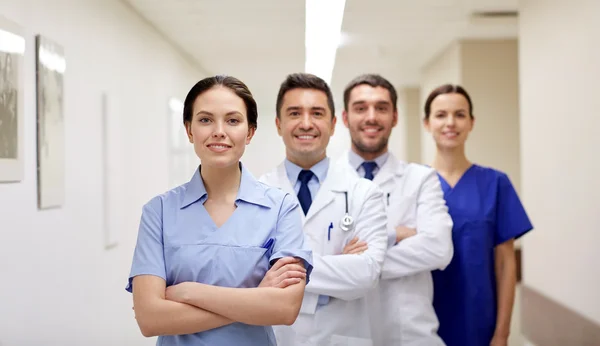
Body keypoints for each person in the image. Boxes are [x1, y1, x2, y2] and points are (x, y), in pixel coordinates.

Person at [125, 75, 314, 346]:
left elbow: (284, 309)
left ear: (250, 132)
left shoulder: (280, 207)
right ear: (189, 130)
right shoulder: (160, 212)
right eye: (205, 120)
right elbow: (150, 319)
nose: (219, 131)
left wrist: (189, 292)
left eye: (233, 120)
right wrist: (255, 298)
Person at [260, 73, 388, 345]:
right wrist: (339, 262)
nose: (306, 123)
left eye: (316, 113)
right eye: (295, 113)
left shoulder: (363, 192)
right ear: (278, 124)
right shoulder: (257, 194)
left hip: (342, 336)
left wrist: (279, 264)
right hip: (276, 336)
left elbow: (366, 274)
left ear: (332, 124)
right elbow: (247, 274)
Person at [338, 74, 454, 345]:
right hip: (343, 331)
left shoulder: (421, 178)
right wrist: (396, 235)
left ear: (395, 117)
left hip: (409, 333)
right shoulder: (325, 182)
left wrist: (351, 262)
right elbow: (316, 257)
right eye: (360, 108)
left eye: (381, 108)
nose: (371, 117)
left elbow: (439, 248)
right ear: (345, 118)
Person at [423, 84, 534, 346]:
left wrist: (502, 334)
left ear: (471, 123)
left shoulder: (496, 183)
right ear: (427, 123)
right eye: (441, 115)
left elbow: (506, 264)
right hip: (421, 321)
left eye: (460, 115)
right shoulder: (412, 183)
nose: (450, 122)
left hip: (478, 323)